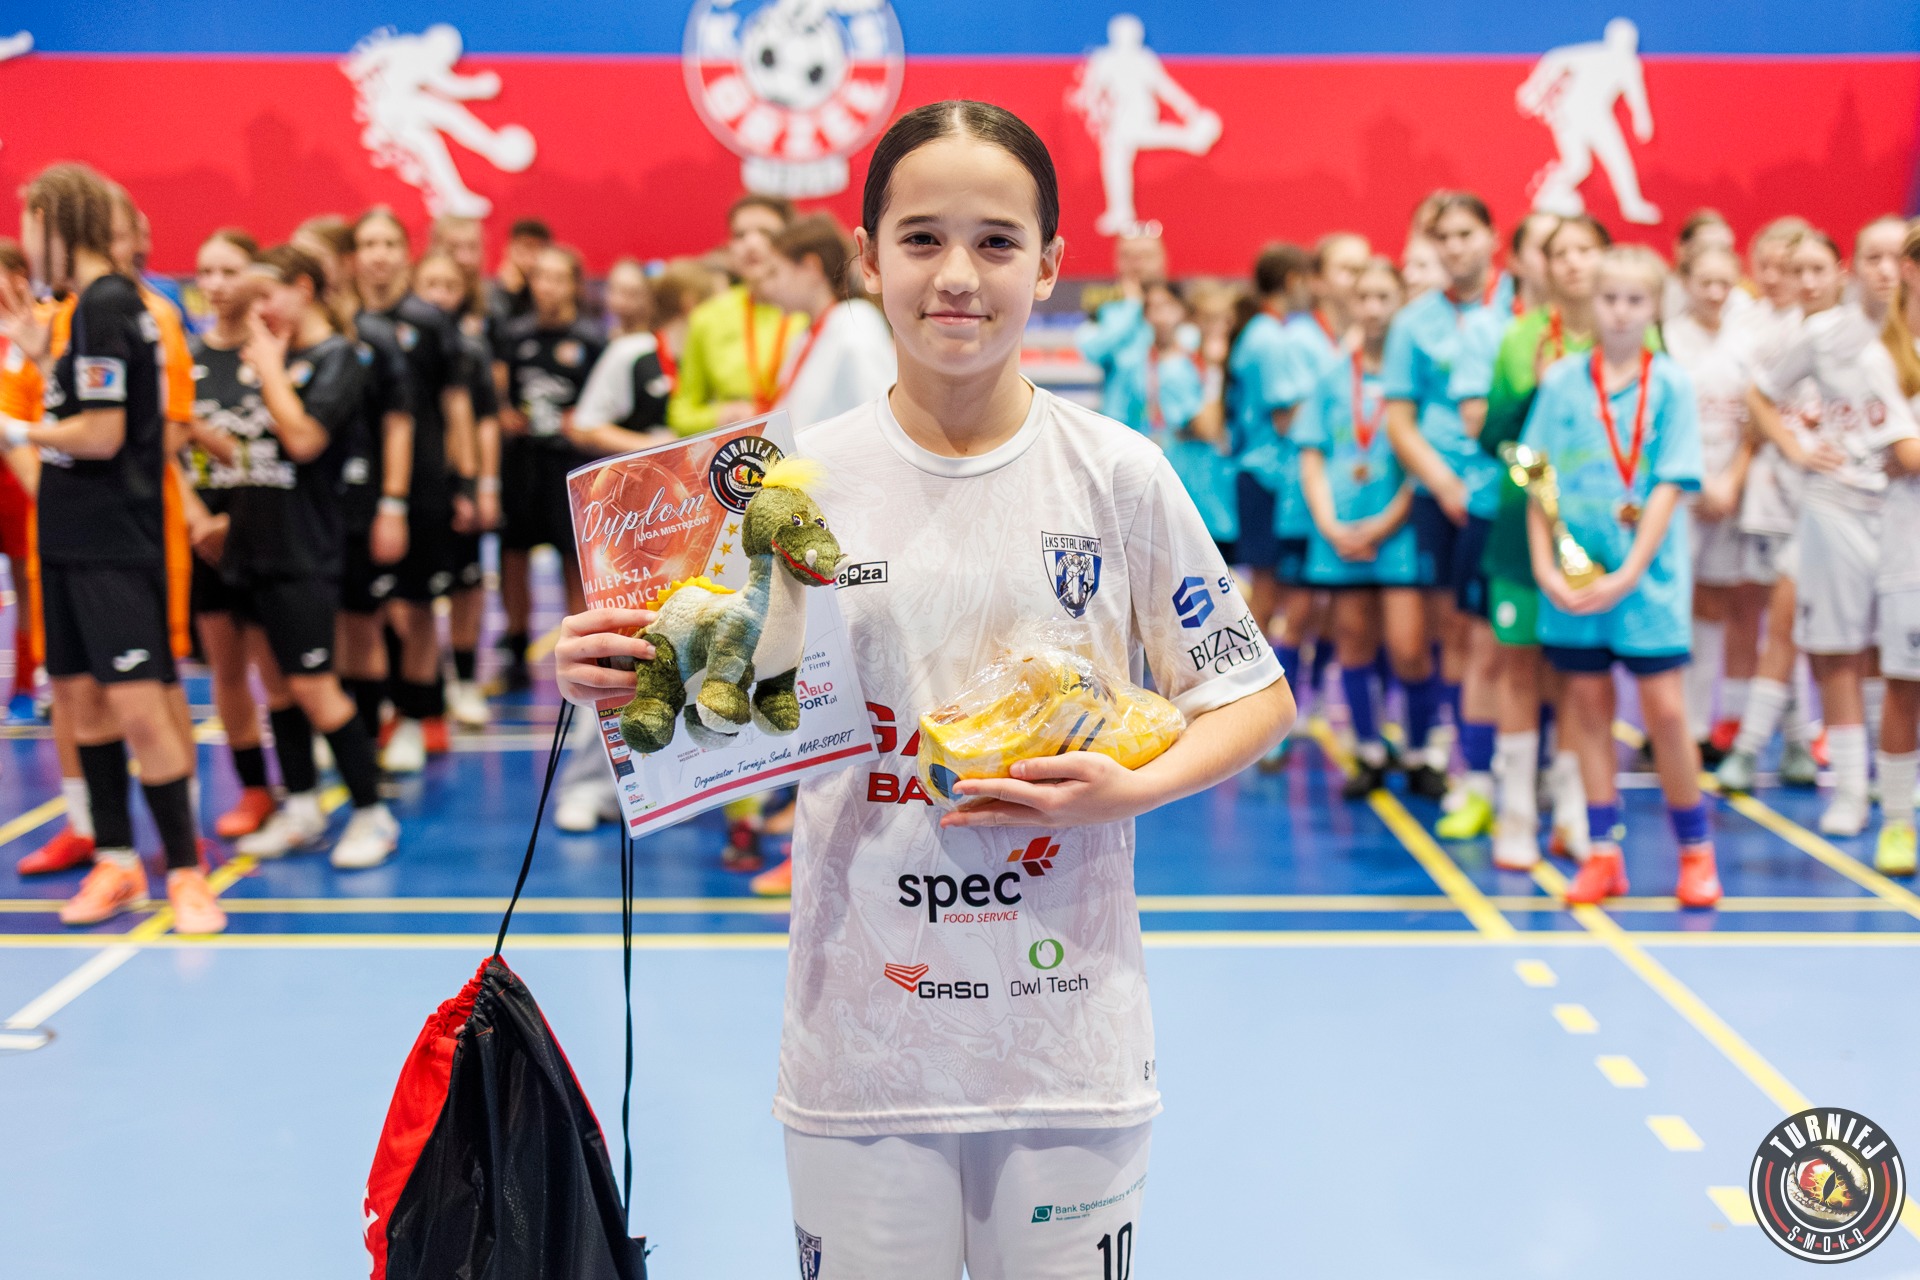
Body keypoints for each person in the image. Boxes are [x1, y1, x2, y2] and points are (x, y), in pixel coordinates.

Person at [554, 99, 1294, 1276]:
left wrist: (1129, 790)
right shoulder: (789, 481)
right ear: (867, 258)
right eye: (922, 239)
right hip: (862, 1045)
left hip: (1068, 1044)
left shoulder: (1119, 473)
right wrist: (609, 667)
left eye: (997, 242)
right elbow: (708, 696)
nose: (958, 274)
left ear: (1048, 265)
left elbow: (1253, 695)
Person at [0, 164, 222, 931]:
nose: (26, 241)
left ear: (61, 222)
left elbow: (101, 434)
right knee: (81, 701)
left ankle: (185, 872)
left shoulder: (108, 303)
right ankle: (117, 861)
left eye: (32, 225)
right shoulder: (77, 312)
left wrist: (13, 428)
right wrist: (42, 358)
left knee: (139, 708)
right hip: (64, 535)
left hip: (114, 541)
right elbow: (92, 403)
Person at [1523, 245, 1720, 907]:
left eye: (1636, 300)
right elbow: (1537, 477)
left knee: (1666, 712)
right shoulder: (1561, 382)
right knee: (1587, 709)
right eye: (1610, 298)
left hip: (1648, 583)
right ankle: (1603, 853)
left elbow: (1670, 484)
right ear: (1593, 301)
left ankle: (1696, 851)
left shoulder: (1671, 385)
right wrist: (1545, 565)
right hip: (1577, 582)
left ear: (1655, 306)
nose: (1621, 311)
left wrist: (1631, 572)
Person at [217, 245, 403, 868]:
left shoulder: (338, 358)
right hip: (252, 543)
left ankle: (372, 814)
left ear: (303, 288)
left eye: (266, 296)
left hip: (304, 550)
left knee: (316, 687)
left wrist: (270, 369)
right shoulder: (273, 356)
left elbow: (302, 440)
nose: (257, 311)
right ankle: (300, 807)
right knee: (277, 689)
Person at [1733, 221, 1914, 835]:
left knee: (1897, 654)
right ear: (1853, 268)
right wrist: (1797, 448)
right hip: (1836, 505)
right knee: (1837, 649)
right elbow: (1759, 394)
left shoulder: (1912, 338)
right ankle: (1851, 788)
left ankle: (1894, 779)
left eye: (1895, 258)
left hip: (1904, 509)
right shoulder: (1825, 335)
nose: (1886, 270)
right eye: (1873, 258)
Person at [1464, 214, 1613, 868]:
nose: (1575, 262)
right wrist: (1536, 389)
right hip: (1521, 526)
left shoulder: (1634, 332)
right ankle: (1517, 813)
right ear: (1541, 267)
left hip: (1595, 531)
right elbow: (1492, 435)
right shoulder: (1521, 337)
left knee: (1580, 674)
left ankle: (1575, 812)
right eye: (1561, 253)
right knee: (1519, 666)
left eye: (1587, 249)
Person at [1383, 193, 1505, 811]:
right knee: (1452, 632)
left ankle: (1521, 757)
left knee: (1505, 636)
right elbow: (1399, 419)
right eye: (1444, 238)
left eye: (1466, 234)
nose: (1456, 248)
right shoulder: (1414, 322)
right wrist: (1446, 483)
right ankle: (1462, 759)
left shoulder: (1518, 307)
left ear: (1492, 237)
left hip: (1510, 492)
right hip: (1442, 497)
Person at [351, 208, 475, 773]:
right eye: (368, 243)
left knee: (416, 605)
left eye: (388, 243)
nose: (378, 254)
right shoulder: (347, 320)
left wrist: (467, 479)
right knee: (366, 608)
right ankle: (376, 710)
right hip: (356, 484)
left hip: (423, 483)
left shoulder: (428, 320)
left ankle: (413, 716)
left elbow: (456, 404)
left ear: (406, 252)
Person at [1295, 257, 1420, 796]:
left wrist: (1384, 525)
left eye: (1383, 297)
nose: (1372, 308)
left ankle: (1420, 752)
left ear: (1401, 302)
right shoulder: (1331, 376)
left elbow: (1421, 463)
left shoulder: (1413, 377)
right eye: (1363, 297)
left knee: (1408, 647)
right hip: (1341, 535)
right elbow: (1312, 455)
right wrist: (1330, 524)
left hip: (1398, 532)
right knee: (1353, 641)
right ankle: (1367, 749)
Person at [183, 228, 289, 840]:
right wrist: (198, 520)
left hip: (266, 531)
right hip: (205, 536)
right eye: (207, 272)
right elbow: (166, 447)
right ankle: (253, 787)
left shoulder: (273, 354)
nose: (217, 284)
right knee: (225, 668)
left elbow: (285, 450)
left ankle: (300, 779)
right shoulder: (187, 358)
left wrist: (238, 519)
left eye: (229, 271)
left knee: (280, 670)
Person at [1714, 218, 1824, 790]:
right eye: (1770, 266)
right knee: (1765, 616)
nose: (1780, 277)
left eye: (1794, 267)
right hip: (1762, 493)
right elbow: (1748, 404)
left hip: (1818, 496)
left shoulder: (1825, 328)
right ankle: (1776, 736)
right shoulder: (1745, 325)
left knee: (1797, 620)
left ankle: (1798, 738)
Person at [1665, 244, 1761, 768]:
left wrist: (1731, 483)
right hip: (1680, 495)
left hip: (1728, 495)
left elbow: (1756, 420)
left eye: (1726, 282)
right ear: (1685, 281)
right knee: (1674, 607)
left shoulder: (1746, 340)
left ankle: (1700, 726)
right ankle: (1667, 725)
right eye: (1705, 282)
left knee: (1713, 607)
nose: (1716, 293)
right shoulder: (1669, 339)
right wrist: (1698, 483)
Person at [1227, 241, 1322, 766]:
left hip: (1270, 479)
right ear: (1293, 282)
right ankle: (1253, 712)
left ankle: (1266, 710)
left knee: (1285, 599)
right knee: (1269, 599)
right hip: (1268, 478)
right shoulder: (1269, 337)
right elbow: (1287, 417)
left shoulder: (1266, 332)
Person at [494, 243, 602, 692]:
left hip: (570, 465)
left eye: (558, 278)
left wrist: (587, 420)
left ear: (574, 285)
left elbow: (606, 405)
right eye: (541, 277)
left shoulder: (592, 339)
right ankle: (516, 649)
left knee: (573, 559)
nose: (548, 287)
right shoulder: (513, 334)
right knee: (513, 555)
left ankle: (585, 649)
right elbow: (498, 392)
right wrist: (503, 413)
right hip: (522, 464)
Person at [411, 247, 500, 726]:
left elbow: (485, 421)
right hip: (416, 485)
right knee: (415, 596)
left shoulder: (471, 349)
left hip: (459, 482)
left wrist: (483, 484)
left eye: (449, 286)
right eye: (431, 285)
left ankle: (465, 681)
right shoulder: (401, 343)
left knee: (467, 584)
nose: (439, 296)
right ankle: (421, 693)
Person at [666, 193, 801, 437]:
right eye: (740, 235)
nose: (751, 244)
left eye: (766, 233)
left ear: (792, 241)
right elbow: (680, 413)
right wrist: (720, 416)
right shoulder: (708, 318)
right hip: (742, 452)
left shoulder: (810, 312)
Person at [756, 213, 897, 430]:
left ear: (811, 267)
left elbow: (878, 414)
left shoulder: (856, 322)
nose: (767, 287)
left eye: (774, 273)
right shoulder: (806, 334)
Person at [1875, 219, 1920, 875]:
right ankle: (1895, 824)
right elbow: (1907, 454)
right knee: (1905, 687)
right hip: (1908, 548)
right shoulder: (1880, 357)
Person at [1076, 230, 1169, 422]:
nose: (1138, 265)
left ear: (1162, 260)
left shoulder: (1181, 309)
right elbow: (1091, 350)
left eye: (1146, 256)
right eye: (1129, 257)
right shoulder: (1106, 313)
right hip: (1118, 424)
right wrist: (1132, 306)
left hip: (1173, 428)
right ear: (1117, 261)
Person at [1108, 278, 1203, 444]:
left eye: (1167, 306)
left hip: (1192, 450)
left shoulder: (1197, 357)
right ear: (1145, 315)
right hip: (1144, 447)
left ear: (1181, 309)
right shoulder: (1131, 363)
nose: (1162, 317)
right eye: (1153, 308)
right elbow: (1117, 415)